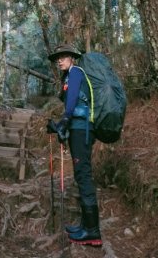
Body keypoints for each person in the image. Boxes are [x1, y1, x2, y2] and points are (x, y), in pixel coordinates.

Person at [46, 44, 102, 247]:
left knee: (83, 175)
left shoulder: (76, 72)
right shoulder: (69, 75)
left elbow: (71, 103)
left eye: (63, 57)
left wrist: (65, 121)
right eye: (57, 58)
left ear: (72, 58)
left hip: (82, 129)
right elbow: (72, 102)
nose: (59, 60)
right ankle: (84, 225)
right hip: (78, 129)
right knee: (80, 175)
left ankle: (93, 232)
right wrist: (61, 126)